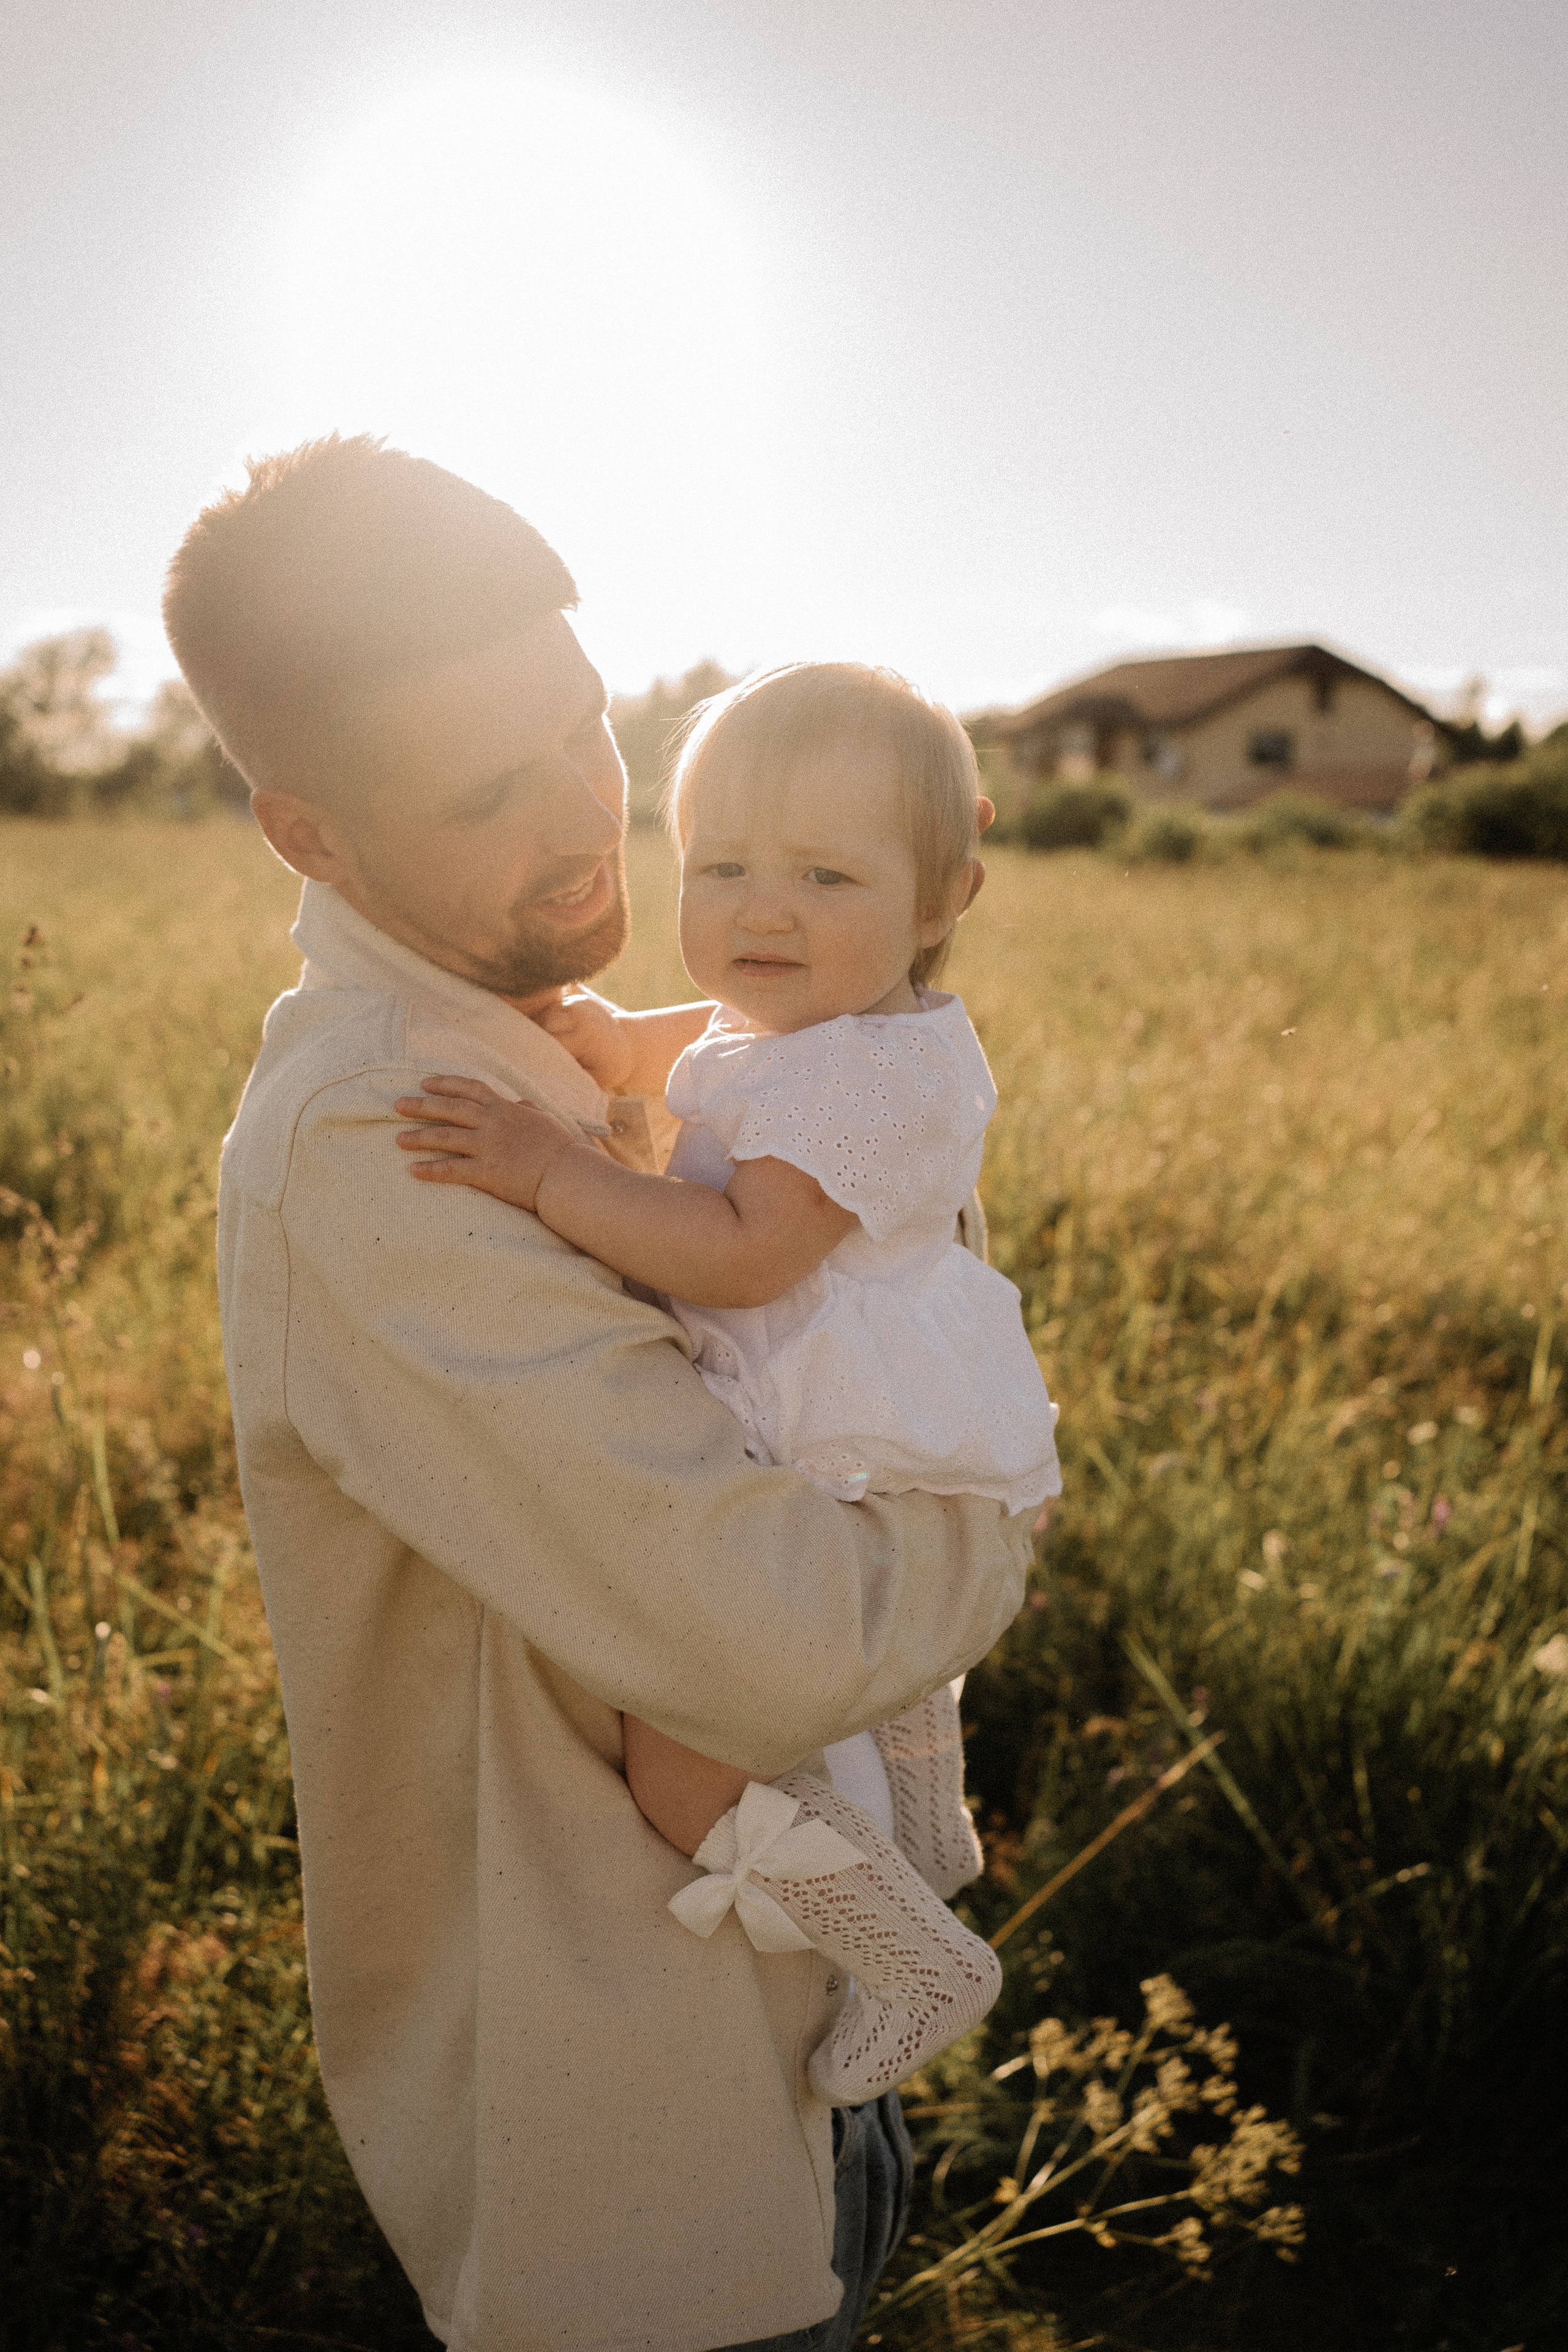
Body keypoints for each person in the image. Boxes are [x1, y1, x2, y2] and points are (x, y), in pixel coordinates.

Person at [164, 434, 1035, 2352]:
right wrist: (992, 1512)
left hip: (777, 2053)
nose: (587, 818)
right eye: (492, 788)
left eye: (584, 729)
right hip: (639, 2158)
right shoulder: (388, 1138)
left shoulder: (538, 1058)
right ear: (310, 834)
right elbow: (792, 1631)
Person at [393, 662, 1061, 2106]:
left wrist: (550, 1168)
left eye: (826, 873)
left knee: (680, 1775)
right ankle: (930, 1830)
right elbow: (694, 1054)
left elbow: (743, 1254)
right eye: (722, 866)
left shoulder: (866, 1080)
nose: (763, 911)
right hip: (877, 1431)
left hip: (830, 1422)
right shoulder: (816, 1024)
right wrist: (598, 1044)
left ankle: (913, 1954)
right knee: (887, 1657)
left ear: (946, 896)